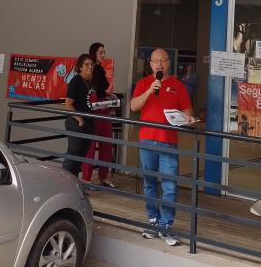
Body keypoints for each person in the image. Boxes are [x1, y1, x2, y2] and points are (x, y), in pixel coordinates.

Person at [130, 48, 192, 247]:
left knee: (169, 186)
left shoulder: (178, 86)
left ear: (168, 63)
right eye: (155, 61)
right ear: (150, 64)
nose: (159, 64)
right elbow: (134, 106)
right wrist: (150, 90)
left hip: (168, 142)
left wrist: (187, 117)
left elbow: (187, 111)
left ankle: (166, 225)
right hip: (147, 141)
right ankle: (153, 221)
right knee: (149, 183)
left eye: (163, 60)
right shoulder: (143, 83)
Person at [81, 42, 118, 188]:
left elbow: (100, 89)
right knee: (90, 145)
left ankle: (103, 176)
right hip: (94, 109)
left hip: (104, 108)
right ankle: (86, 178)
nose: (104, 54)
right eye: (101, 52)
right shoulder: (89, 71)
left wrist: (110, 95)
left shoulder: (101, 69)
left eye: (104, 52)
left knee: (106, 143)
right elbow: (89, 90)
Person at [62, 53, 96, 176]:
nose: (90, 67)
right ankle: (63, 182)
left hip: (87, 124)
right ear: (80, 67)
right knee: (72, 157)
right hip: (77, 124)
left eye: (91, 64)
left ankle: (73, 182)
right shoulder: (76, 81)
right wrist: (79, 118)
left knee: (79, 159)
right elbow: (68, 104)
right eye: (86, 64)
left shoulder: (89, 82)